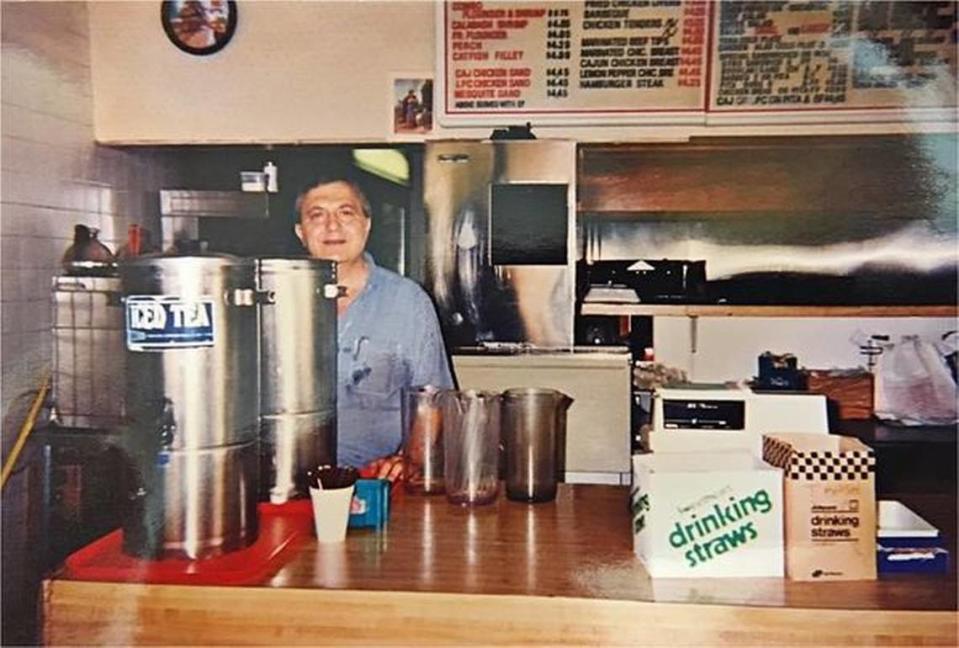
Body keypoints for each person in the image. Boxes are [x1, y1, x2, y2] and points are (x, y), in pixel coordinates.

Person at [294, 176, 454, 481]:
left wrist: (409, 460)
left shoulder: (408, 301)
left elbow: (432, 397)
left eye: (346, 212)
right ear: (301, 232)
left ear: (366, 224)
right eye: (317, 215)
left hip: (375, 480)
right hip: (290, 482)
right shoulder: (277, 300)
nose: (332, 226)